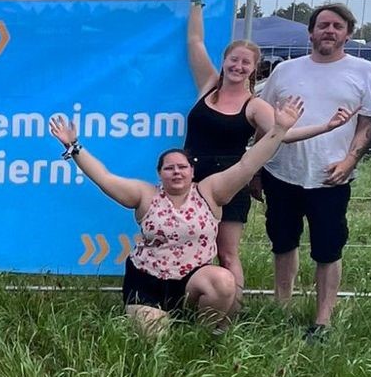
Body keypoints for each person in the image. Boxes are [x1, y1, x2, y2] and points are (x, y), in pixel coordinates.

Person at [48, 98, 305, 334]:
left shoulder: (211, 192)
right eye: (169, 168)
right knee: (155, 335)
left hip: (192, 281)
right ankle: (157, 319)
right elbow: (104, 178)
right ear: (160, 174)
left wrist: (279, 130)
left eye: (182, 167)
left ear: (192, 171)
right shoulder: (145, 195)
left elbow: (247, 164)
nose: (176, 172)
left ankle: (201, 335)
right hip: (147, 283)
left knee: (223, 282)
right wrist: (74, 147)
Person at [183, 0, 356, 290]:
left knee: (227, 253)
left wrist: (325, 127)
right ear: (225, 62)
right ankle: (196, 304)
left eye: (245, 63)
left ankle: (230, 311)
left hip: (229, 183)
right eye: (233, 60)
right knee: (194, 251)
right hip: (189, 177)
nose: (237, 66)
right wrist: (196, 0)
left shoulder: (256, 105)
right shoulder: (207, 84)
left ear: (254, 69)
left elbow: (283, 135)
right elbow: (195, 41)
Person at [257, 3, 371, 339]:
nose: (329, 31)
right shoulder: (285, 71)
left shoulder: (365, 71)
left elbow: (368, 123)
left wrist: (349, 162)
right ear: (311, 32)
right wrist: (256, 166)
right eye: (323, 25)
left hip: (330, 177)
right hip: (282, 172)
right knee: (283, 243)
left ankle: (323, 320)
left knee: (328, 249)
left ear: (348, 33)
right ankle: (282, 307)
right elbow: (265, 122)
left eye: (337, 26)